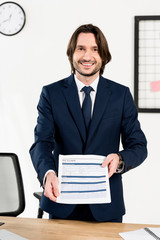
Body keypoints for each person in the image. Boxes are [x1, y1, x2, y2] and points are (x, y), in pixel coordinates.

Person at [30, 24, 147, 222]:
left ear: (104, 55)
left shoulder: (121, 95)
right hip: (62, 201)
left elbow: (138, 146)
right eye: (81, 48)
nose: (87, 56)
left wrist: (120, 159)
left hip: (106, 206)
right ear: (71, 53)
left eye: (95, 49)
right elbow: (41, 142)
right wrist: (47, 174)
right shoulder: (51, 93)